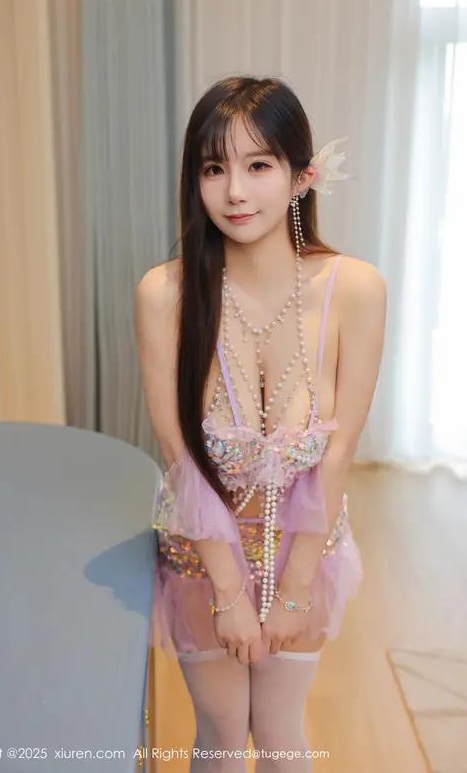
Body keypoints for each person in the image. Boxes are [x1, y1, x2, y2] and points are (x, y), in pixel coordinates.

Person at [135, 75, 386, 771]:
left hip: (304, 548)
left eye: (258, 165)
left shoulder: (354, 289)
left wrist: (296, 586)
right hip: (201, 551)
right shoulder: (164, 293)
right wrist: (228, 592)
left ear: (302, 176)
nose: (235, 192)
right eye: (214, 168)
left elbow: (339, 451)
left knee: (278, 733)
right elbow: (180, 452)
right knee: (221, 733)